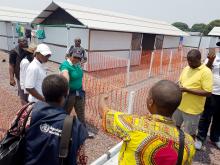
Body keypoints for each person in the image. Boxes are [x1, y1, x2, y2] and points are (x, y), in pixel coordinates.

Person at [99, 80, 195, 165]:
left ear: (150, 102)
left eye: (149, 96)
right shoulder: (188, 142)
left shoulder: (133, 125)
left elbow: (104, 113)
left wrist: (102, 98)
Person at [24, 74, 88, 165]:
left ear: (44, 93)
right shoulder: (76, 127)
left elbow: (15, 135)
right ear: (65, 96)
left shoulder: (28, 111)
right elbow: (81, 160)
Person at [173, 49, 213, 139]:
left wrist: (187, 90)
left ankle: (190, 150)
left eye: (193, 61)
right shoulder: (186, 68)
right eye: (188, 61)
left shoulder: (206, 72)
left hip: (192, 110)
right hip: (179, 106)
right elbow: (180, 82)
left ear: (199, 59)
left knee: (189, 134)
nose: (190, 63)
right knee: (175, 128)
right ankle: (176, 147)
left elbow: (208, 92)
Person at [195, 44, 220, 150]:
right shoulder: (214, 57)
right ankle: (200, 138)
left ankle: (215, 138)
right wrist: (210, 60)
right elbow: (205, 71)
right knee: (206, 117)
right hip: (212, 92)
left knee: (219, 118)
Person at [9, 37, 28, 105]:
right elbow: (11, 65)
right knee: (23, 95)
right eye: (23, 41)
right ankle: (25, 112)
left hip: (29, 75)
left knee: (30, 95)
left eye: (26, 41)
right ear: (19, 42)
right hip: (20, 76)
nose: (25, 42)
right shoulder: (14, 52)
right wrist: (11, 78)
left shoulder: (29, 50)